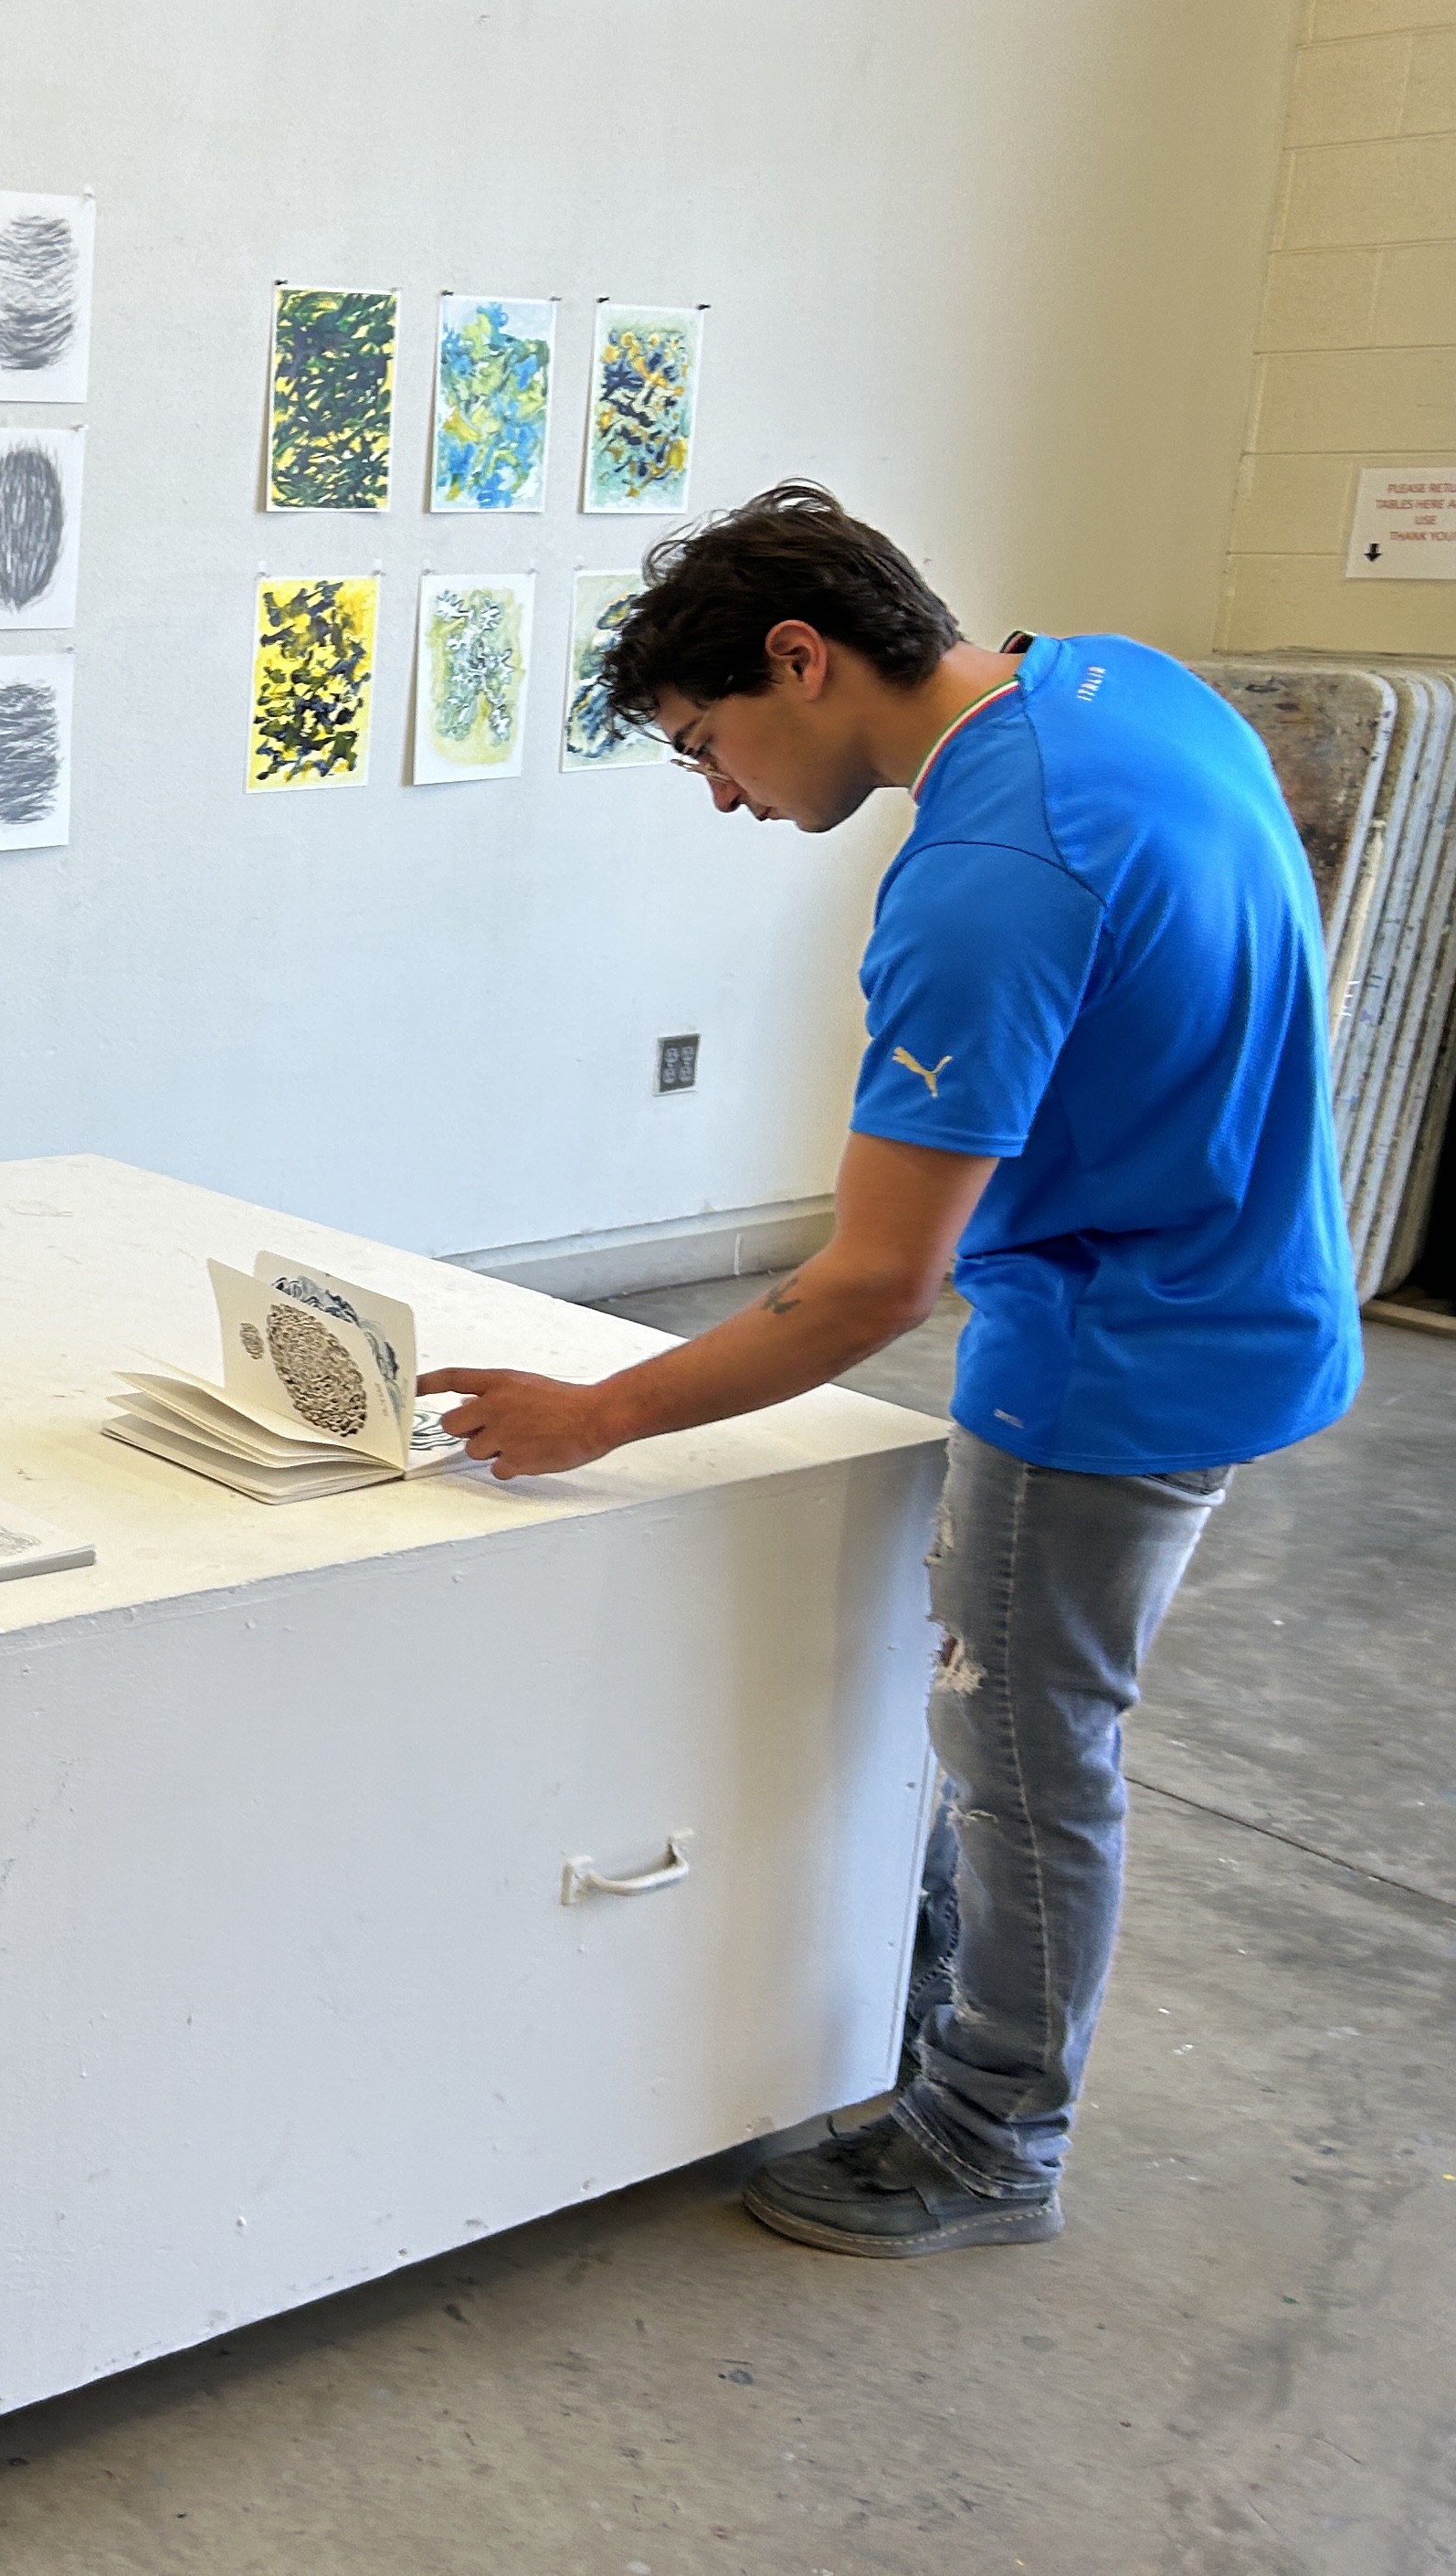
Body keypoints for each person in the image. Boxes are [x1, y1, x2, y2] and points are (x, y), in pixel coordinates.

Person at [417, 484, 1360, 2260]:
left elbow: (872, 1284)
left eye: (707, 743)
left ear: (802, 659)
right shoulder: (1121, 689)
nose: (719, 793)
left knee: (1022, 1747)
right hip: (1252, 1271)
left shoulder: (987, 881)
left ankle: (989, 2131)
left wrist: (600, 1410)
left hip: (1114, 1359)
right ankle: (915, 2009)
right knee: (995, 1712)